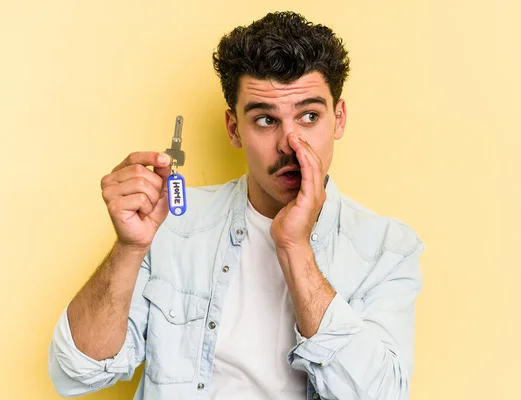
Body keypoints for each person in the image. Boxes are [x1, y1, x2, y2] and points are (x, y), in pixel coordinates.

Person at [48, 11, 424, 400]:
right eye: (265, 120)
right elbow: (75, 375)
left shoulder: (388, 249)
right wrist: (129, 248)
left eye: (309, 116)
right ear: (233, 129)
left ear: (339, 118)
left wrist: (295, 248)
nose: (289, 144)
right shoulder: (171, 223)